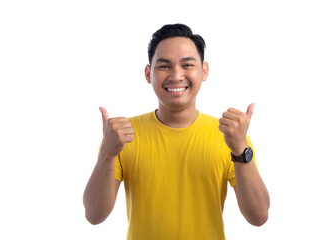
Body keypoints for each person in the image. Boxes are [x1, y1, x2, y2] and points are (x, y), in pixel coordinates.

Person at [83, 23, 270, 240]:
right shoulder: (121, 136)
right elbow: (94, 215)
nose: (176, 75)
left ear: (204, 71)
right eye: (164, 66)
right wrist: (107, 152)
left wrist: (240, 149)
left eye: (187, 64)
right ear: (147, 73)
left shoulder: (229, 136)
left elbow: (259, 217)